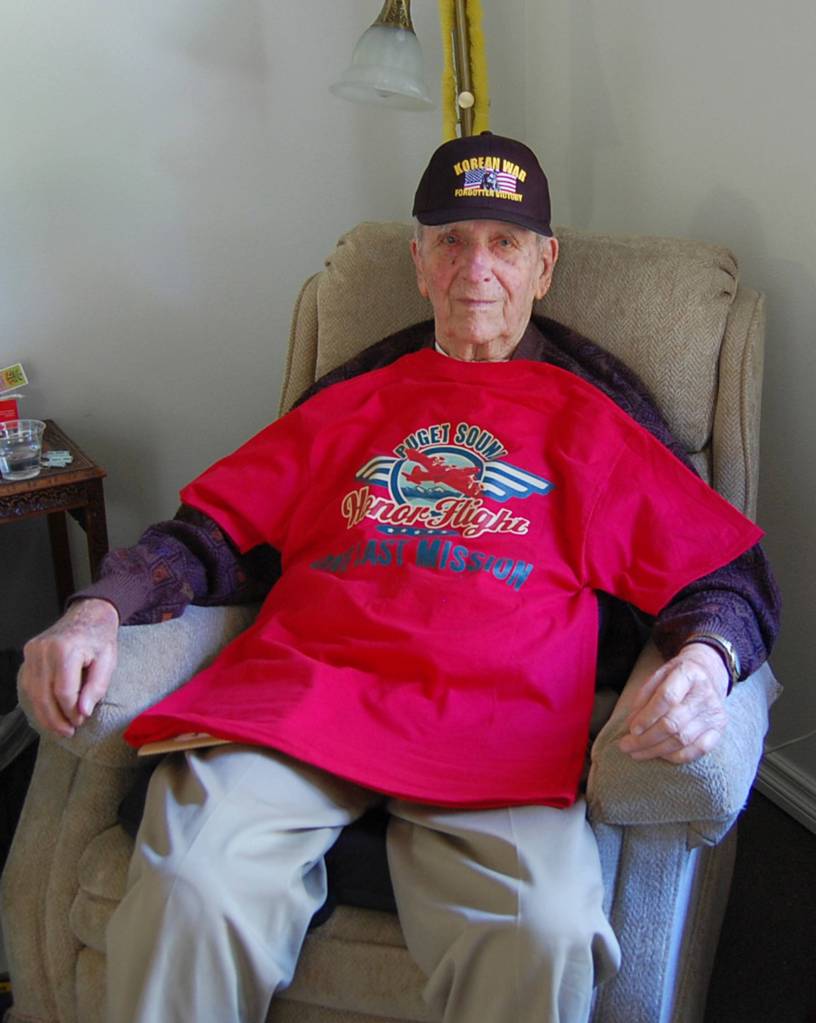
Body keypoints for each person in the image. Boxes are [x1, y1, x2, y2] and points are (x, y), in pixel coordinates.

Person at [20, 132, 780, 1023]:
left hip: (499, 729)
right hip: (296, 699)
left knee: (544, 929)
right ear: (418, 262)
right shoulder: (353, 398)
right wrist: (97, 612)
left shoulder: (593, 416)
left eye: (504, 244)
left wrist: (704, 661)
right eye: (452, 241)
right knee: (189, 884)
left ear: (545, 267)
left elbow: (725, 573)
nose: (476, 269)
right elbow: (206, 536)